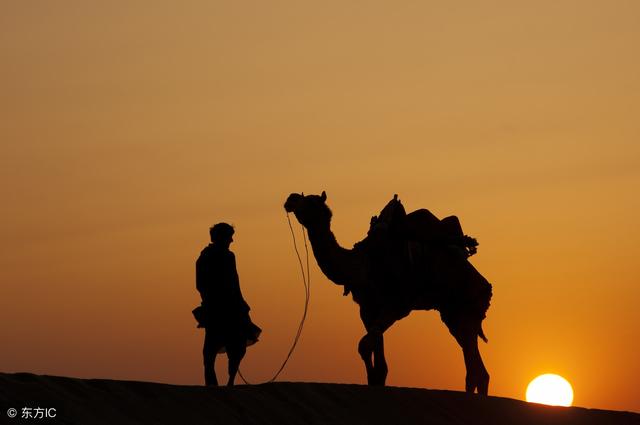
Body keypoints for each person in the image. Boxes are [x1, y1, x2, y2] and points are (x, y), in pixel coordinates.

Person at [195, 223, 261, 386]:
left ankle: (226, 383)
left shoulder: (211, 256)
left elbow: (231, 283)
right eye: (229, 237)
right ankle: (218, 386)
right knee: (213, 350)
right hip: (222, 308)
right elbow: (208, 284)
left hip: (225, 307)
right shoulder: (215, 257)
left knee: (225, 348)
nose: (231, 240)